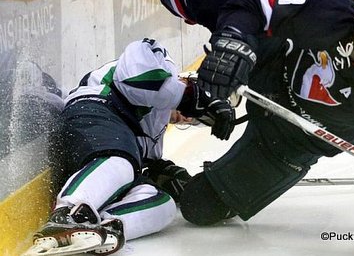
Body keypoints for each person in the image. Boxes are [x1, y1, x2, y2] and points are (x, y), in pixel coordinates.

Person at [139, 0, 354, 254]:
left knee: (198, 208)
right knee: (226, 8)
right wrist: (235, 39)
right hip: (271, 66)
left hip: (292, 142)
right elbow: (253, 5)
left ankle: (169, 177)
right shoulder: (328, 12)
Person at [24, 38, 235, 255]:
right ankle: (66, 214)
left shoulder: (150, 141)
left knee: (162, 204)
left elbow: (143, 171)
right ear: (185, 80)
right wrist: (189, 97)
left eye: (191, 121)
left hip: (100, 162)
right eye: (193, 114)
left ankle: (99, 230)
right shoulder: (160, 59)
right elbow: (138, 78)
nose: (186, 118)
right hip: (92, 112)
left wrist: (170, 179)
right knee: (122, 164)